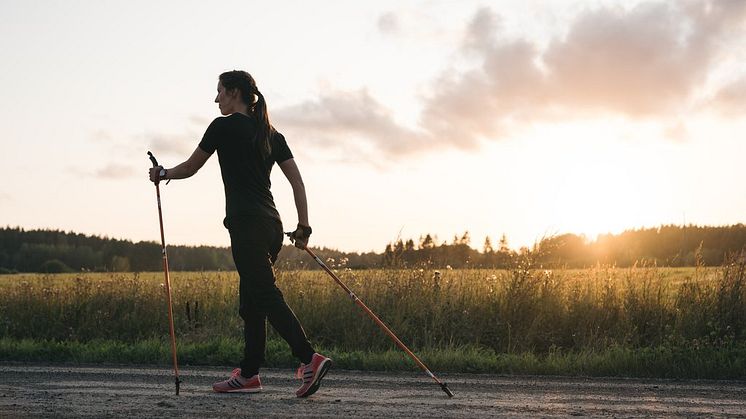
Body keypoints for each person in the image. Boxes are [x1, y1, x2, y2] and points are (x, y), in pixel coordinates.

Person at [148, 70, 331, 397]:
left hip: (246, 224)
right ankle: (249, 374)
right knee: (251, 300)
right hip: (272, 226)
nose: (216, 98)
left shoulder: (222, 127)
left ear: (234, 92)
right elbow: (298, 183)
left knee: (263, 293)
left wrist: (163, 173)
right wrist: (304, 228)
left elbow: (190, 168)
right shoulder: (271, 134)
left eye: (219, 91)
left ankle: (309, 358)